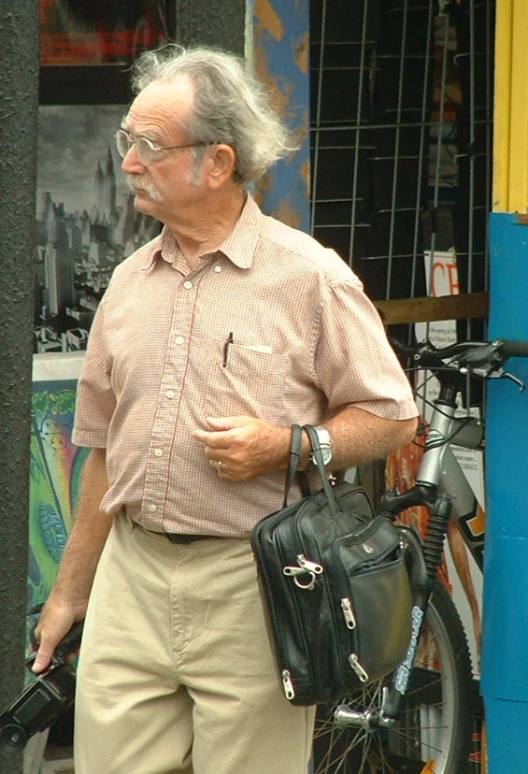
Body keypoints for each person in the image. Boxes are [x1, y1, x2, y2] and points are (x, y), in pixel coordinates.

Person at [33, 44, 418, 774]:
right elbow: (102, 454)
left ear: (216, 162)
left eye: (149, 145)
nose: (130, 163)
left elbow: (393, 416)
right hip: (131, 580)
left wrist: (290, 445)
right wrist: (68, 594)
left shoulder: (309, 278)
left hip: (255, 588)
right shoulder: (125, 284)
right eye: (128, 143)